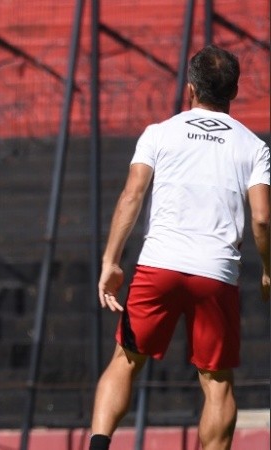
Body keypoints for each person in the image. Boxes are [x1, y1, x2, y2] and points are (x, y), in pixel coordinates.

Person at [89, 44, 270, 450]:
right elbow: (262, 218)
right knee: (217, 384)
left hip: (159, 264)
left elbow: (132, 195)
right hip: (216, 272)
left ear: (190, 88)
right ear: (234, 91)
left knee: (125, 360)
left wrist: (110, 261)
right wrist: (268, 269)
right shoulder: (253, 146)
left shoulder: (159, 133)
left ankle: (98, 446)